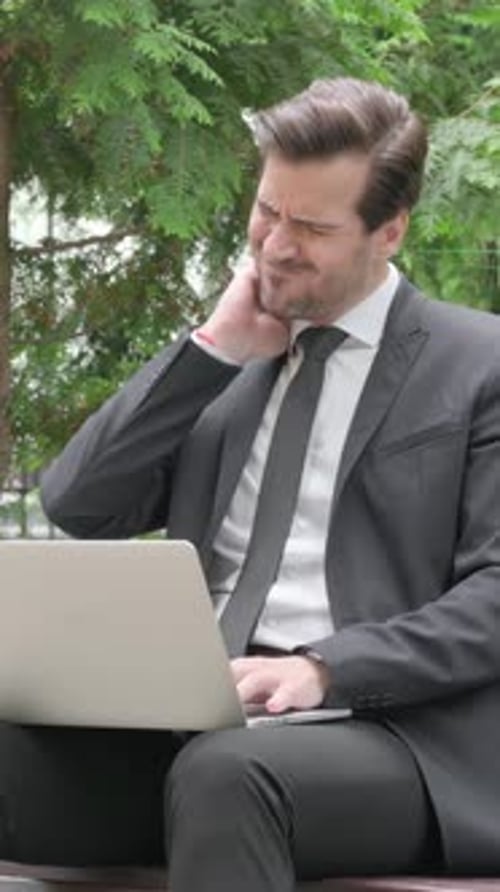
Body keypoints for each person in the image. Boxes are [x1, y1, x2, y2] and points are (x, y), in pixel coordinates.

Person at [1, 77, 499, 890]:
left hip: (400, 743)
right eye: (268, 212)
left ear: (390, 231)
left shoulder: (479, 364)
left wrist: (323, 667)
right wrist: (210, 347)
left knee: (230, 775)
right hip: (192, 728)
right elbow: (80, 504)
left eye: (310, 226)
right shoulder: (230, 367)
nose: (274, 246)